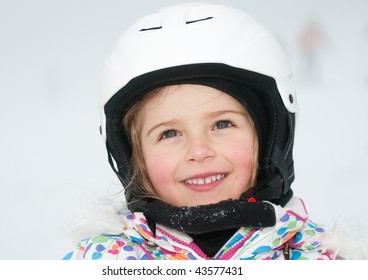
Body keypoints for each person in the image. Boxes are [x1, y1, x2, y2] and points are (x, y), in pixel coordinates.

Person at [63, 2, 338, 260]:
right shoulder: (101, 259)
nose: (198, 151)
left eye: (222, 124)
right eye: (169, 133)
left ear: (270, 137)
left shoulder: (321, 257)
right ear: (134, 158)